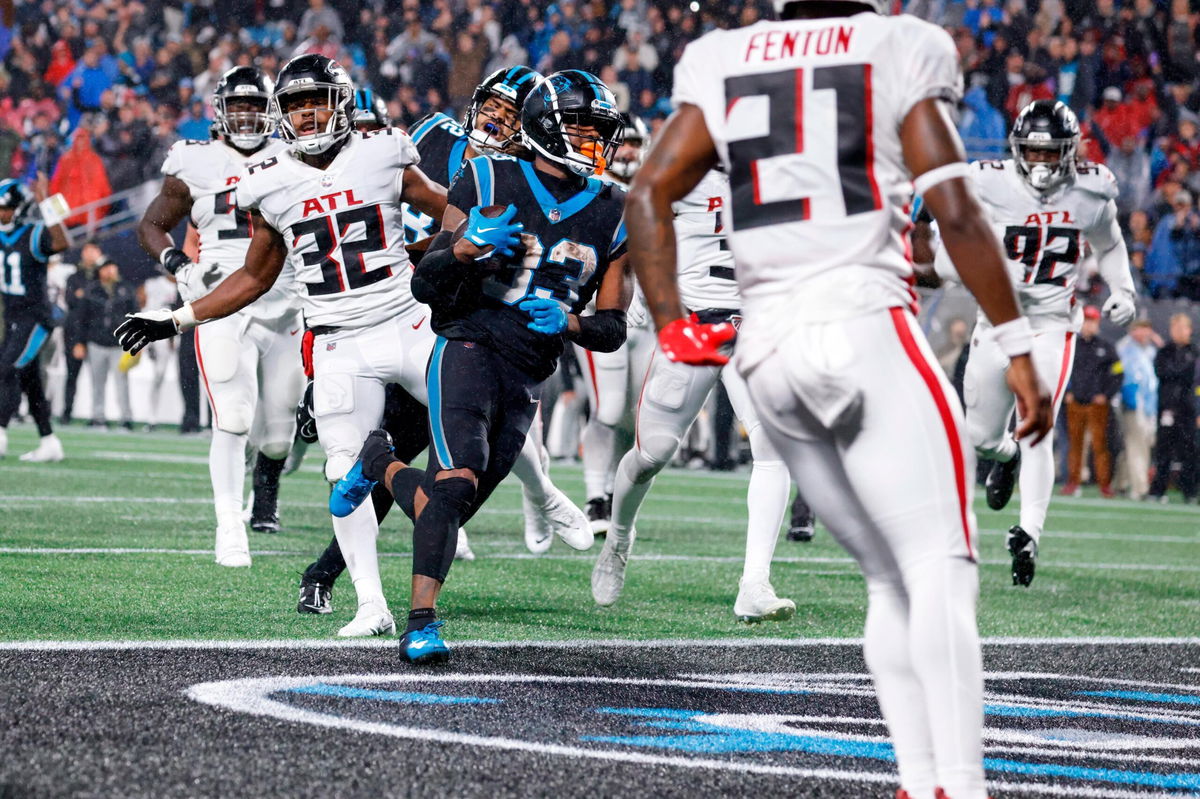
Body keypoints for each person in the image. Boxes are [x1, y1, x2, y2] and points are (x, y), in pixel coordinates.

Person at [624, 4, 1053, 799]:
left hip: (770, 348)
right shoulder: (900, 43)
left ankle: (918, 781)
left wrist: (675, 326)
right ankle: (957, 785)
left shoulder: (722, 55)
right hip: (864, 324)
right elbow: (956, 209)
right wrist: (1019, 345)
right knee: (941, 569)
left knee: (891, 579)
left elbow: (648, 192)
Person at [116, 54, 456, 638]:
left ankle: (544, 499)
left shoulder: (383, 152)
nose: (305, 114)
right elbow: (252, 279)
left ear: (341, 103)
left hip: (407, 323)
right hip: (338, 344)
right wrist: (176, 320)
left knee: (475, 430)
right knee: (342, 471)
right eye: (295, 105)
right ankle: (371, 604)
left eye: (315, 101)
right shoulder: (269, 184)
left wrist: (436, 260)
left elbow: (454, 209)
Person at [337, 69, 630, 664]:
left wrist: (571, 324)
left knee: (449, 503)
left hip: (530, 369)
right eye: (581, 128)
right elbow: (426, 282)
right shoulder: (489, 173)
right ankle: (421, 625)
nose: (594, 142)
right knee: (456, 478)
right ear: (547, 125)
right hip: (467, 343)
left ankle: (379, 462)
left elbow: (614, 328)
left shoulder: (613, 209)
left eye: (600, 131)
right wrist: (468, 249)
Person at [930, 100, 1136, 585]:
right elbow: (945, 214)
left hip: (1051, 321)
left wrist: (1123, 288)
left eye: (1051, 154)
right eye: (1033, 153)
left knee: (1037, 420)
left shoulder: (1090, 188)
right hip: (995, 319)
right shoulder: (988, 180)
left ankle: (1029, 532)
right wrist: (945, 252)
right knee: (981, 437)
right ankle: (1007, 456)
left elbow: (1109, 243)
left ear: (1069, 153)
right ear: (1017, 150)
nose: (1041, 164)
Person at [591, 167, 794, 623]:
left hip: (756, 330)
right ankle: (620, 536)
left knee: (772, 446)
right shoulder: (682, 172)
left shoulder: (785, 173)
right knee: (652, 454)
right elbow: (633, 238)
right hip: (693, 325)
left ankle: (754, 583)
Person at [136, 66, 304, 563]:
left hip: (286, 300)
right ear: (220, 110)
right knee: (231, 418)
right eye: (239, 105)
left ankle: (261, 487)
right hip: (219, 301)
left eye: (256, 105)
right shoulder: (195, 160)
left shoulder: (296, 155)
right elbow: (153, 224)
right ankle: (230, 525)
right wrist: (179, 265)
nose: (247, 114)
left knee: (278, 437)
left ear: (270, 110)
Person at [574, 113, 656, 532]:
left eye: (634, 143)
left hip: (645, 319)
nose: (627, 150)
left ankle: (611, 495)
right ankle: (594, 497)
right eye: (620, 142)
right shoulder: (591, 188)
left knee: (631, 418)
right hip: (600, 312)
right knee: (607, 409)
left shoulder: (658, 189)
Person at [0, 177, 70, 461]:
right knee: (30, 381)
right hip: (13, 317)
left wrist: (46, 202)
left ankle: (1, 433)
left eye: (6, 208)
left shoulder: (32, 233)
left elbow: (63, 241)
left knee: (6, 370)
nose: (2, 213)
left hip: (36, 317)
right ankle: (49, 441)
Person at [1062, 305, 1122, 497]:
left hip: (1098, 405)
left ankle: (1104, 484)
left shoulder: (1107, 347)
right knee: (1075, 445)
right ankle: (1073, 481)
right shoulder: (1071, 345)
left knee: (1100, 445)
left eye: (1092, 321)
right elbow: (1063, 370)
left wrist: (1106, 394)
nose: (1089, 325)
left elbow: (1118, 374)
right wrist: (1067, 391)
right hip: (1075, 402)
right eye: (1086, 321)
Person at [80, 259, 138, 429]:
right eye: (106, 268)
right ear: (100, 271)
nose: (110, 271)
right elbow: (82, 317)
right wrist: (80, 342)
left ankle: (126, 417)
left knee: (122, 382)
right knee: (97, 382)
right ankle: (98, 416)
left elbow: (135, 315)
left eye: (112, 267)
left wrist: (136, 340)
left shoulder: (126, 289)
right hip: (96, 342)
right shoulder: (92, 290)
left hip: (119, 344)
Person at [1148, 312, 1198, 502]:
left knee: (1190, 452)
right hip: (1167, 408)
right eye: (1175, 328)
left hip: (1188, 409)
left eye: (1182, 328)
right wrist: (1180, 372)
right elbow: (1162, 372)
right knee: (1163, 451)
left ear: (1189, 330)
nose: (1178, 332)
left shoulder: (1195, 351)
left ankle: (1190, 492)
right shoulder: (1164, 351)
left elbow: (1192, 378)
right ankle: (1158, 491)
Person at [1114, 318, 1159, 499]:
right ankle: (1140, 488)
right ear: (1132, 331)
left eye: (1147, 330)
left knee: (1134, 445)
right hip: (1132, 404)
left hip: (1148, 405)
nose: (1144, 334)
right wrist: (1133, 402)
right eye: (1140, 329)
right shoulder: (1125, 348)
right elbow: (1126, 378)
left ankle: (1120, 482)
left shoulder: (1149, 350)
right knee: (1137, 446)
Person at [61, 240, 105, 423]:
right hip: (74, 330)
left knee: (98, 377)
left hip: (95, 331)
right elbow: (71, 300)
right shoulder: (74, 276)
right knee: (71, 374)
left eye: (93, 250)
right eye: (87, 250)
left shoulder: (102, 277)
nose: (89, 254)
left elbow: (99, 302)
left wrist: (84, 295)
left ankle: (97, 416)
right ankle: (67, 411)